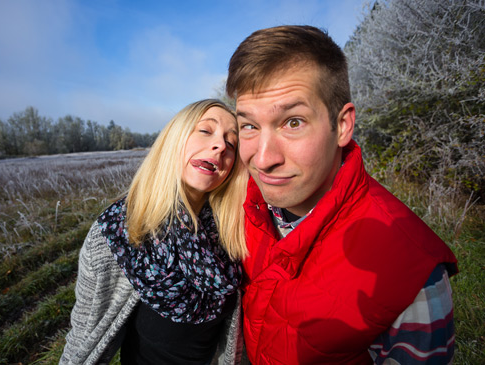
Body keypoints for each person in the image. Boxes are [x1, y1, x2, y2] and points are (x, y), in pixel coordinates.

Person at [227, 25, 459, 364]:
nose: (262, 159)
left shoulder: (412, 272)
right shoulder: (238, 207)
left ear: (343, 126)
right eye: (249, 125)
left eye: (293, 122)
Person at [61, 99, 249, 364]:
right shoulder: (120, 233)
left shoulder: (232, 231)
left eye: (232, 143)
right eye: (206, 131)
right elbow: (83, 338)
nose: (220, 145)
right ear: (174, 138)